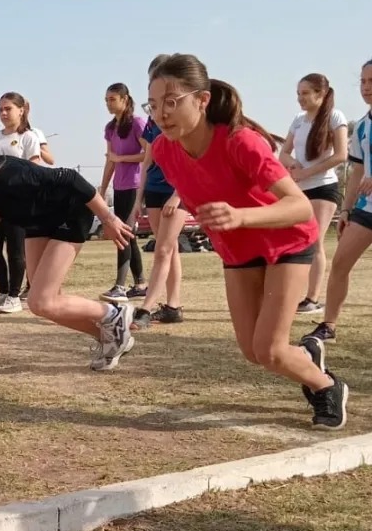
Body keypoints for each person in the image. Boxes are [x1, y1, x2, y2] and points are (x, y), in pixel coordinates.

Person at [148, 53, 347, 430]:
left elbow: (300, 207)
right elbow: (194, 181)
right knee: (253, 352)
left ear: (202, 100)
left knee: (270, 350)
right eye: (154, 104)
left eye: (172, 101)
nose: (162, 113)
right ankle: (307, 352)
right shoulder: (163, 149)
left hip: (285, 241)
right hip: (237, 249)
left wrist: (241, 216)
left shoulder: (242, 141)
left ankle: (326, 385)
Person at [0, 129, 137, 371]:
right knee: (44, 304)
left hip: (70, 213)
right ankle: (110, 335)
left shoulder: (8, 175)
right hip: (38, 224)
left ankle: (114, 313)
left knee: (42, 301)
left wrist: (108, 218)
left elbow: (71, 178)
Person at [303, 59, 372, 346]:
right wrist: (346, 208)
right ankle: (328, 325)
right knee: (340, 262)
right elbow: (356, 169)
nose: (366, 88)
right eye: (363, 82)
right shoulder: (362, 127)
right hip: (365, 209)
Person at [279, 74, 349, 314]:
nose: (300, 98)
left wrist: (309, 172)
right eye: (298, 93)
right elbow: (284, 153)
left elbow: (341, 155)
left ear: (321, 94)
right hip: (300, 189)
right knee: (296, 240)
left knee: (314, 240)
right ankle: (293, 295)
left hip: (323, 187)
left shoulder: (334, 116)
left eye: (306, 93)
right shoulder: (298, 120)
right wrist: (294, 167)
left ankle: (312, 299)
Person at [131, 54, 186, 329]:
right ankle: (173, 306)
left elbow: (192, 158)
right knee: (169, 249)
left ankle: (146, 308)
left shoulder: (184, 113)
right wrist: (138, 198)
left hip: (178, 191)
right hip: (154, 189)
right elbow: (148, 159)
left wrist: (178, 194)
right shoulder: (153, 119)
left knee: (164, 249)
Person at [0, 92, 42, 313]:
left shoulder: (28, 137)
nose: (4, 113)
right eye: (0, 109)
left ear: (21, 110)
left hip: (18, 203)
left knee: (16, 250)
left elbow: (34, 169)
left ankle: (15, 296)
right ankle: (3, 291)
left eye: (8, 108)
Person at [98, 83, 148, 303]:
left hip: (135, 185)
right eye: (106, 99)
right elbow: (110, 160)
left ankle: (119, 286)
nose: (109, 103)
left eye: (112, 99)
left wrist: (123, 159)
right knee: (128, 236)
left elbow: (149, 153)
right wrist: (102, 188)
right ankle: (141, 284)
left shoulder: (137, 123)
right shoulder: (110, 128)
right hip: (119, 187)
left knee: (124, 235)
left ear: (125, 99)